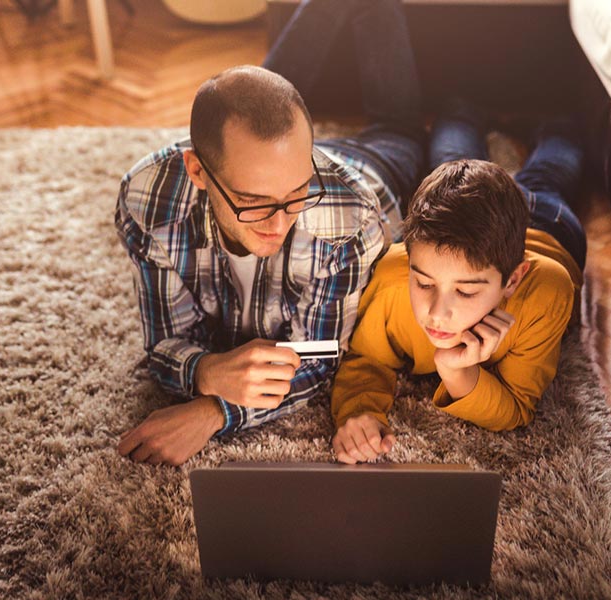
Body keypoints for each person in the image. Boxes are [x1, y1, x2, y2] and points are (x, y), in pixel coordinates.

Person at [114, 0, 427, 466]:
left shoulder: (350, 220)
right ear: (197, 172)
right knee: (245, 96)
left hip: (379, 165)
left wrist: (212, 411)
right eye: (253, 204)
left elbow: (319, 359)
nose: (281, 224)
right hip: (277, 159)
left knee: (401, 126)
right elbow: (165, 341)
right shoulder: (149, 201)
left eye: (299, 195)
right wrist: (205, 369)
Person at [328, 102, 588, 464]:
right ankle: (464, 103)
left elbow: (516, 408)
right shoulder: (392, 276)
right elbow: (367, 357)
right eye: (424, 284)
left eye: (465, 291)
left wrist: (457, 371)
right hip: (469, 223)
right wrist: (359, 411)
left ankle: (559, 117)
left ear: (512, 281)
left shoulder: (545, 294)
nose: (437, 313)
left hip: (547, 224)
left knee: (552, 171)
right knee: (450, 154)